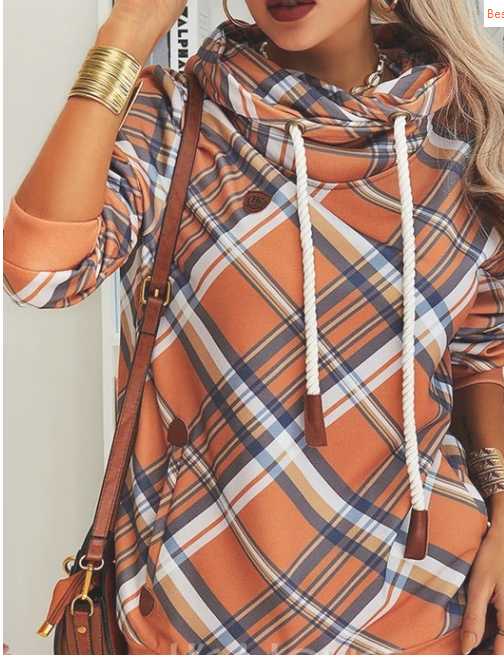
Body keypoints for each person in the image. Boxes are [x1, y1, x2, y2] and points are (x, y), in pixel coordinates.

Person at [3, 0, 504, 653]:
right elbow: (40, 272)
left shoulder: (461, 131)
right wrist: (126, 33)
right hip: (194, 622)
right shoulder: (174, 119)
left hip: (423, 621)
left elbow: (484, 347)